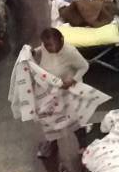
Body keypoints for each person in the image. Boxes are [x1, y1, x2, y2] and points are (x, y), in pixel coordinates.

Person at [34, 27, 89, 158]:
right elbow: (41, 50)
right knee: (49, 118)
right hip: (51, 90)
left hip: (68, 90)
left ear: (61, 40)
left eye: (51, 45)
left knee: (73, 118)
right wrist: (33, 52)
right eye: (46, 45)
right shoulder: (45, 47)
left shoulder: (70, 52)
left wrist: (72, 80)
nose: (49, 48)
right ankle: (52, 145)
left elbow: (84, 66)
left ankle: (83, 143)